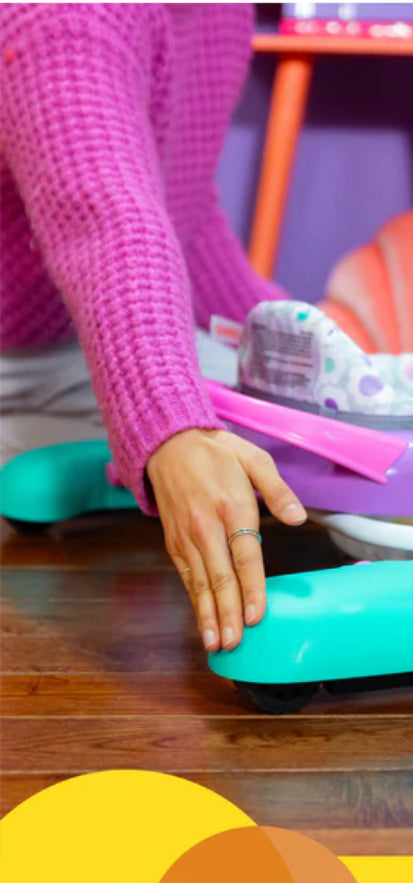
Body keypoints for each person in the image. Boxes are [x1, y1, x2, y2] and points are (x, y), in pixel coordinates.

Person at [0, 3, 306, 653]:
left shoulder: (222, 15)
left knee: (282, 416)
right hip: (34, 338)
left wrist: (300, 347)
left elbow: (184, 212)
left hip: (70, 338)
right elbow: (104, 219)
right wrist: (170, 425)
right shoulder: (62, 15)